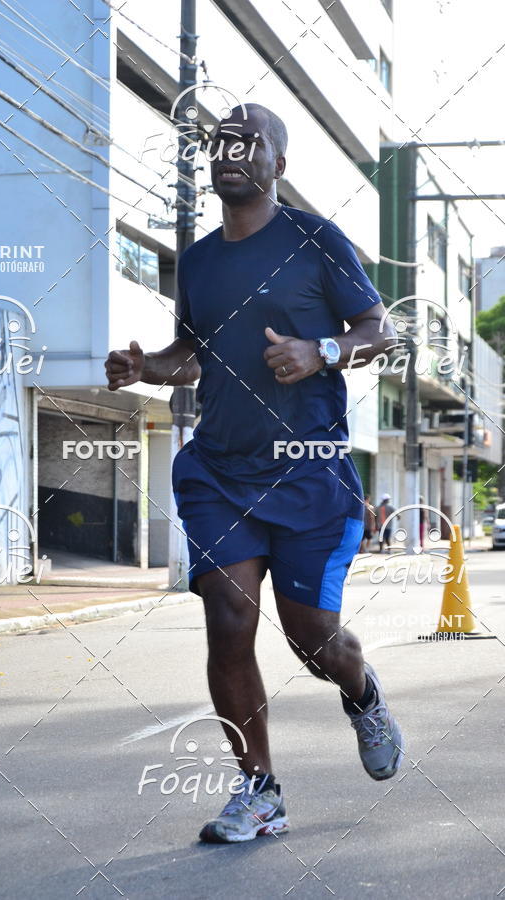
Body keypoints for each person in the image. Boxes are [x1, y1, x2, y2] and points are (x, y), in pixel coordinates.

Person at [105, 103, 404, 844]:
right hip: (219, 472)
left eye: (250, 142)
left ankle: (361, 693)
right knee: (229, 624)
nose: (231, 152)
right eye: (220, 143)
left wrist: (322, 352)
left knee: (313, 641)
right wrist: (149, 368)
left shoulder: (316, 240)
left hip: (309, 474)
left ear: (279, 163)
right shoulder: (200, 261)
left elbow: (381, 331)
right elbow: (193, 354)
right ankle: (259, 791)